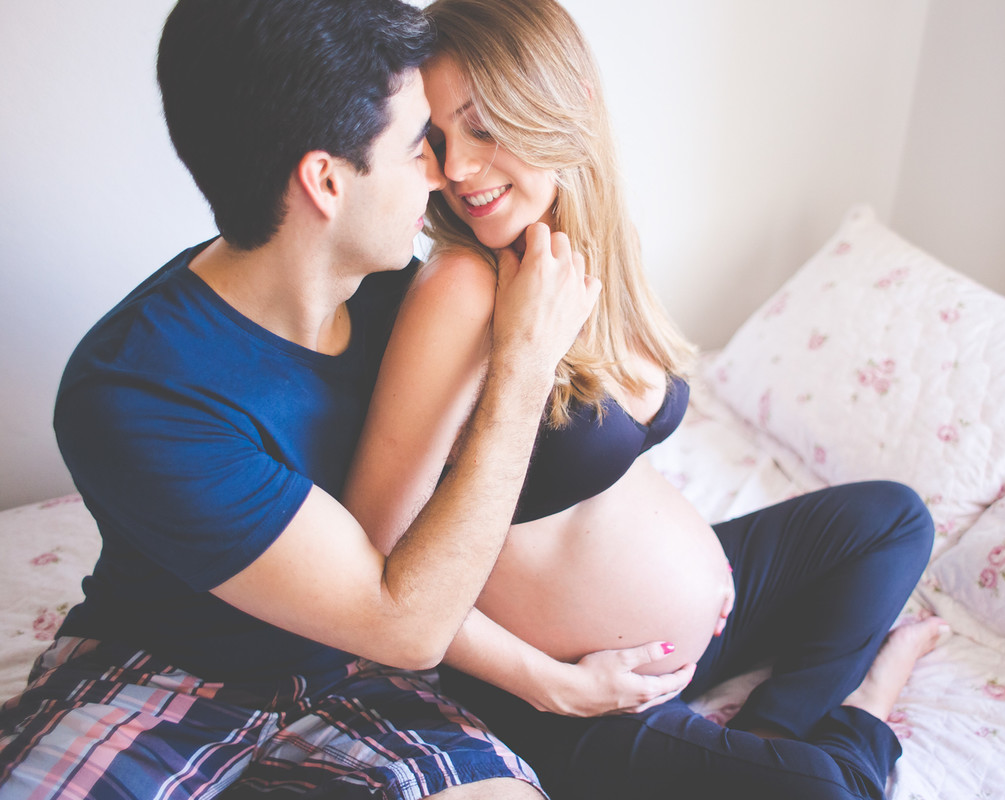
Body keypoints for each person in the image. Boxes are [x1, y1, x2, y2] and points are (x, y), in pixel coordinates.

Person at [345, 0, 944, 798]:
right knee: (824, 792)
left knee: (893, 521)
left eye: (482, 128)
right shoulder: (460, 288)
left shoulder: (588, 259)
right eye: (439, 139)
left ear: (566, 103)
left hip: (678, 641)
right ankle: (864, 712)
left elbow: (598, 460)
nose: (455, 170)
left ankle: (772, 729)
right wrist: (553, 685)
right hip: (568, 696)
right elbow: (374, 559)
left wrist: (694, 564)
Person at [0, 0, 599, 798]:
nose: (443, 173)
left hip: (356, 678)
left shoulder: (413, 300)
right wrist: (523, 371)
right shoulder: (135, 393)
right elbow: (407, 625)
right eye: (417, 145)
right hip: (163, 670)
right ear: (325, 181)